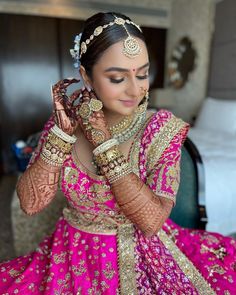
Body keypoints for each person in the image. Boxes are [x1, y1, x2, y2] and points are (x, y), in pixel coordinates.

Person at [0, 11, 236, 295]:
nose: (135, 90)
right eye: (117, 78)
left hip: (141, 255)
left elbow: (151, 222)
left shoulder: (160, 130)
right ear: (87, 76)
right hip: (70, 250)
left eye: (143, 74)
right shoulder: (67, 120)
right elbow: (30, 204)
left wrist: (104, 144)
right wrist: (60, 137)